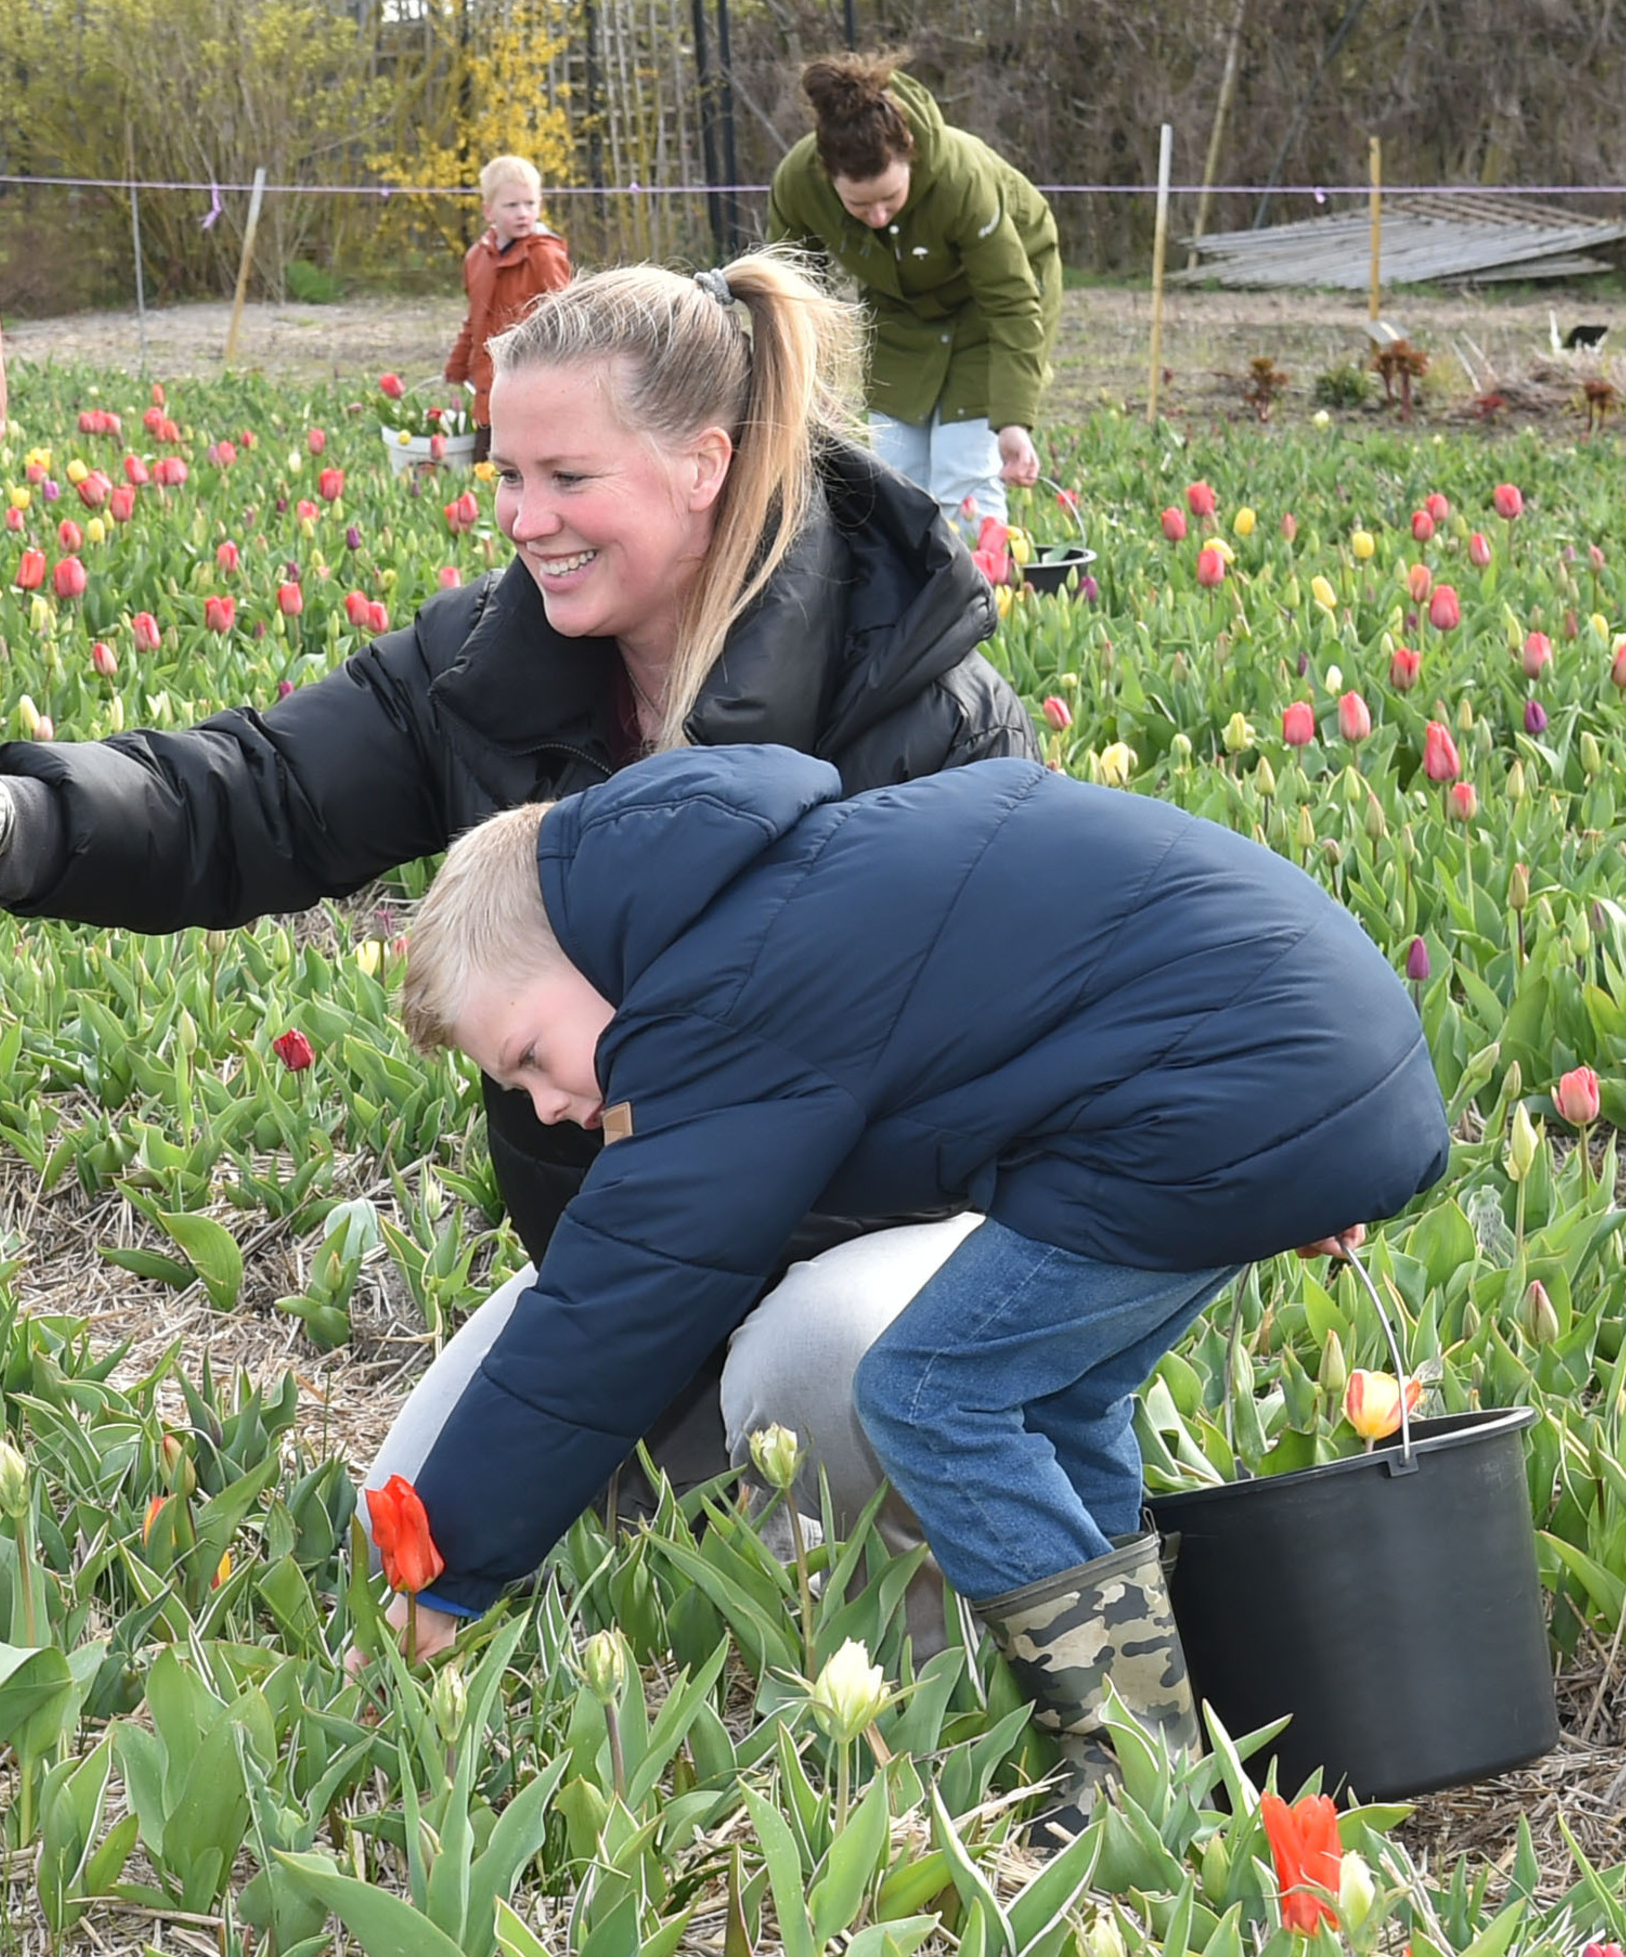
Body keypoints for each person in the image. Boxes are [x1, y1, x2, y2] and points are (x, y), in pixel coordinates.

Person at [0, 259, 1033, 1577]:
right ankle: (709, 1493)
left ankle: (947, 1629)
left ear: (704, 465)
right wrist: (7, 821)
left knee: (821, 1361)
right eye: (508, 475)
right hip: (623, 1266)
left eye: (570, 478)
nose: (525, 518)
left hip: (887, 1245)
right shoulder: (488, 675)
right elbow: (257, 793)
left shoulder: (916, 711)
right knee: (413, 1531)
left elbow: (1013, 1041)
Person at [383, 748, 1447, 1834]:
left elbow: (614, 1303)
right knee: (1056, 1392)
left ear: (583, 947)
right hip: (1283, 1057)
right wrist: (1311, 1128)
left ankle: (1130, 1762)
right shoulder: (770, 896)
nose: (543, 1104)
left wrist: (449, 1561)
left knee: (931, 1388)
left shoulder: (718, 995)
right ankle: (1163, 1733)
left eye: (527, 1054)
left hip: (1238, 1081)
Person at [765, 51, 1059, 531]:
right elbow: (793, 303)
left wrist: (1012, 421)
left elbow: (1010, 302)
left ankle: (979, 598)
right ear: (827, 176)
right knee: (896, 479)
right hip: (899, 307)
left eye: (890, 199)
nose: (878, 217)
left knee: (963, 477)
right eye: (860, 205)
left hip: (991, 307)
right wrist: (807, 394)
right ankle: (910, 604)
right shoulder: (797, 186)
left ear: (911, 159)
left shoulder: (960, 178)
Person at [442, 153, 571, 447]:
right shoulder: (477, 258)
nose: (523, 213)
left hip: (533, 382)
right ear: (489, 212)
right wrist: (458, 365)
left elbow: (568, 318)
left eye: (530, 203)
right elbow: (475, 319)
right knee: (485, 465)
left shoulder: (544, 255)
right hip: (487, 384)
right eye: (512, 205)